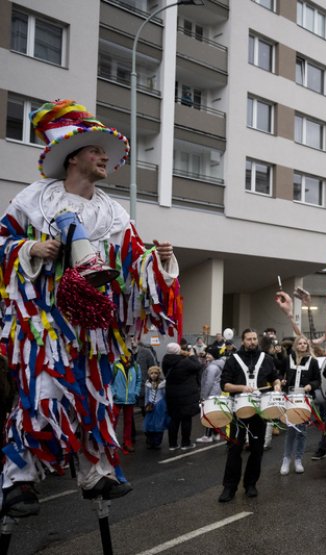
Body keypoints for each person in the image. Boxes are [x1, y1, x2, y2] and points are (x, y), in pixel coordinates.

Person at [0, 100, 181, 517]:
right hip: (43, 325)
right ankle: (19, 480)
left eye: (105, 153)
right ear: (74, 155)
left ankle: (95, 471)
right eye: (96, 151)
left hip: (93, 330)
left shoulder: (112, 213)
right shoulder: (32, 201)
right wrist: (30, 247)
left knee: (94, 399)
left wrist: (160, 260)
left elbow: (135, 264)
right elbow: (1, 244)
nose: (105, 159)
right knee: (42, 393)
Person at [218, 329, 281, 502]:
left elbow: (275, 377)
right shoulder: (233, 360)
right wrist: (242, 388)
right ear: (243, 341)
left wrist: (276, 385)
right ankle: (229, 487)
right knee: (234, 449)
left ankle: (251, 484)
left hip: (259, 411)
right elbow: (225, 385)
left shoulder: (267, 359)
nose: (252, 342)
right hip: (238, 410)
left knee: (257, 448)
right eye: (249, 339)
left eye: (254, 339)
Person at [279, 336, 321, 476]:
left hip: (304, 398)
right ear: (296, 345)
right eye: (300, 343)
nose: (302, 345)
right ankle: (286, 460)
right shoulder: (288, 359)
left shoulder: (313, 362)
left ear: (307, 346)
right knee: (291, 429)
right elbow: (279, 373)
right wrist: (282, 381)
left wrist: (311, 385)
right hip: (289, 397)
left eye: (305, 344)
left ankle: (298, 459)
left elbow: (318, 381)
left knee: (301, 431)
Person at [162, 343, 202, 451]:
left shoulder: (165, 361)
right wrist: (192, 355)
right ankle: (185, 443)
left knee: (174, 419)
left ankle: (173, 444)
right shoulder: (185, 362)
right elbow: (198, 366)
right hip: (186, 396)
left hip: (172, 395)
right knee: (186, 419)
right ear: (178, 350)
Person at [112, 354, 142, 453]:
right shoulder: (115, 366)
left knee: (128, 422)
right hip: (117, 398)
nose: (127, 356)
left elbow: (138, 380)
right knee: (113, 421)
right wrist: (113, 393)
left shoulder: (136, 366)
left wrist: (136, 392)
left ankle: (127, 443)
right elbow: (110, 381)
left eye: (128, 354)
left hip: (130, 398)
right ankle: (111, 443)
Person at [197, 353, 224, 443]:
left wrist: (204, 396)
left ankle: (207, 436)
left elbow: (208, 382)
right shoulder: (216, 365)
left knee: (209, 414)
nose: (207, 355)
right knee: (214, 414)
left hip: (211, 393)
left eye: (209, 354)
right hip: (216, 392)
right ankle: (216, 434)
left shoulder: (212, 367)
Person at [143, 366, 168, 449]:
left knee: (159, 424)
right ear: (149, 374)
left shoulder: (163, 383)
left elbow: (165, 395)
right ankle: (150, 441)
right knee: (148, 424)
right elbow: (147, 395)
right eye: (152, 373)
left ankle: (157, 442)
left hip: (160, 405)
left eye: (156, 373)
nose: (153, 375)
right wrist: (146, 404)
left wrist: (166, 406)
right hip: (150, 405)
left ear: (159, 374)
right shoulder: (147, 383)